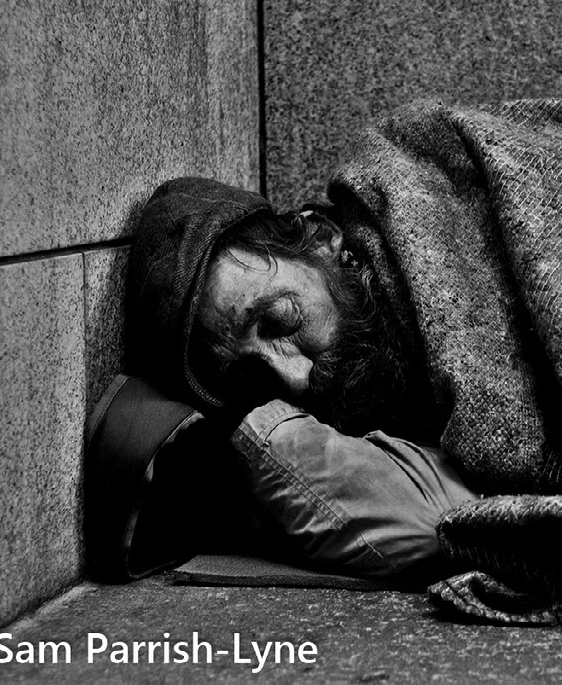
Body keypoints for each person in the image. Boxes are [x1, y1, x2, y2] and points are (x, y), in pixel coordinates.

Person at [124, 176, 477, 580]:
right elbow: (442, 521)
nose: (295, 379)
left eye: (279, 320)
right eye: (251, 374)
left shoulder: (439, 222)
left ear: (320, 240)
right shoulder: (372, 409)